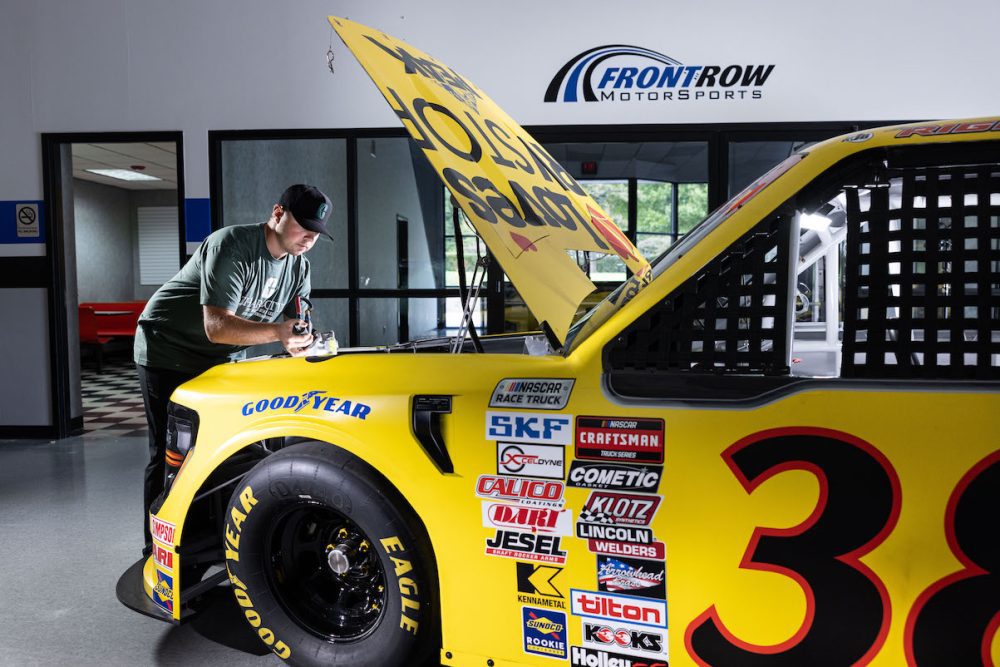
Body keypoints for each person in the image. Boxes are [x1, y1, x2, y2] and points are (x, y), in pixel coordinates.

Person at [134, 183, 332, 555]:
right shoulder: (233, 246)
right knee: (171, 452)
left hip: (222, 358)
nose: (308, 238)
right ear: (277, 214)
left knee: (223, 451)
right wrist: (277, 332)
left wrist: (303, 339)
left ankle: (204, 541)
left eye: (316, 233)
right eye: (302, 227)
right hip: (168, 348)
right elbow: (217, 327)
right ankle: (157, 552)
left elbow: (297, 323)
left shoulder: (299, 266)